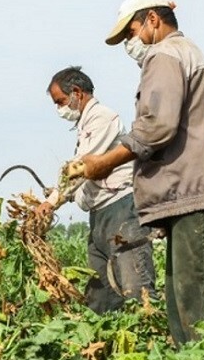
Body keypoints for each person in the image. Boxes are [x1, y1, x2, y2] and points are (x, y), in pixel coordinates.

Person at [80, 0, 204, 345]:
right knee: (184, 300)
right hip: (195, 194)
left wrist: (104, 163)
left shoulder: (164, 54)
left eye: (131, 32)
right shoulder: (185, 53)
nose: (130, 43)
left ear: (153, 20)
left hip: (197, 193)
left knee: (201, 308)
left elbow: (156, 125)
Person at [38, 66, 156, 314]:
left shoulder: (102, 117)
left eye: (60, 102)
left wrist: (51, 202)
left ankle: (148, 339)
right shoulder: (86, 125)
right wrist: (63, 194)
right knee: (101, 293)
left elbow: (80, 168)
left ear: (77, 93)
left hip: (121, 210)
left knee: (136, 287)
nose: (59, 109)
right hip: (100, 215)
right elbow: (84, 175)